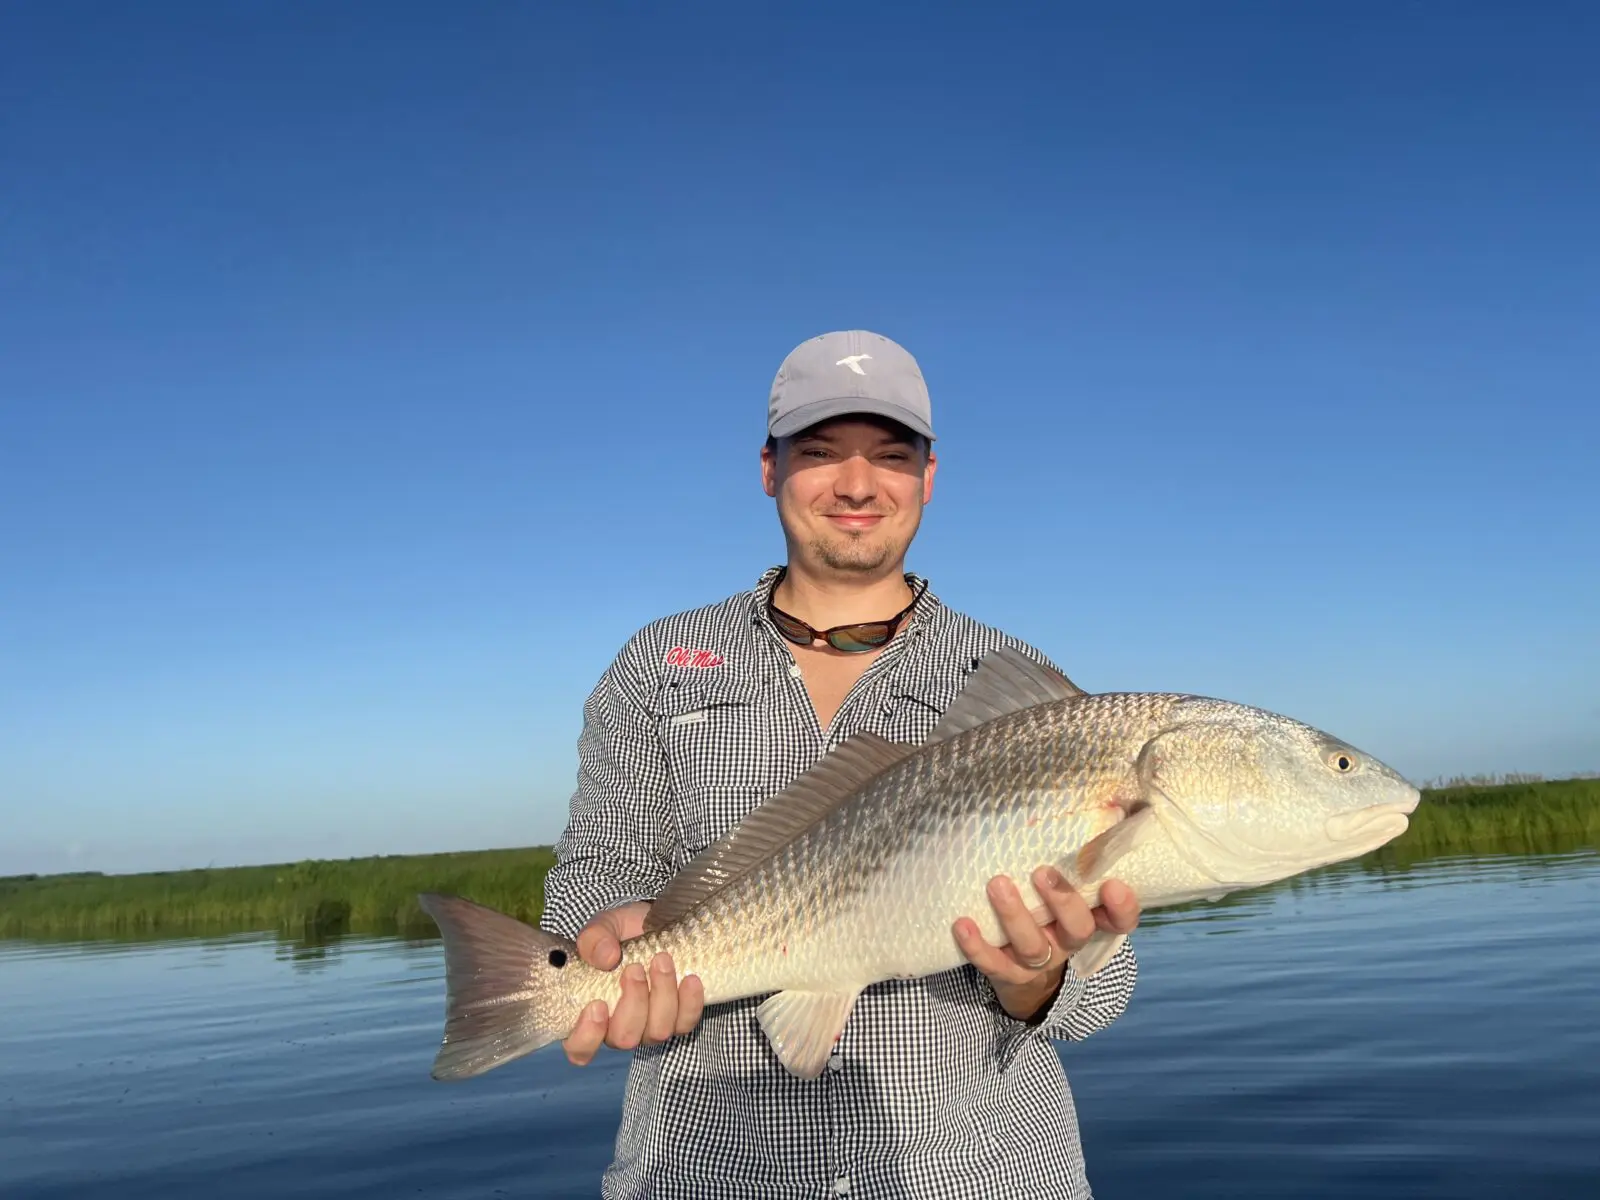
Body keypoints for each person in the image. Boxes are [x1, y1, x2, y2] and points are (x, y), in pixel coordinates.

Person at [540, 330, 1142, 1199]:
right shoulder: (659, 664)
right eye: (820, 451)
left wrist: (1039, 977)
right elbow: (595, 871)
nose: (857, 485)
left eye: (891, 456)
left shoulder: (1016, 687)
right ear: (769, 468)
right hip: (703, 1173)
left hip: (976, 1176)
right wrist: (603, 934)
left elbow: (1101, 993)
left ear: (929, 477)